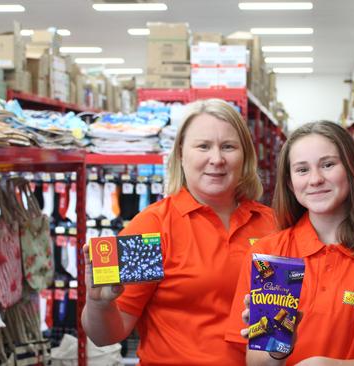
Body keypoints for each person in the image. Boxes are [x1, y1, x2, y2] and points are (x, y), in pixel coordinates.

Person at [81, 98, 277, 365]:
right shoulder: (152, 227)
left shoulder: (270, 224)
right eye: (203, 146)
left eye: (228, 147)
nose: (217, 159)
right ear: (181, 154)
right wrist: (99, 304)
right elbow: (107, 336)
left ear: (245, 157)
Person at [226, 121, 354, 365]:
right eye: (302, 170)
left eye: (328, 165)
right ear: (289, 183)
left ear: (350, 171)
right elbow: (256, 363)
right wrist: (279, 350)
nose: (316, 179)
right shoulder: (269, 257)